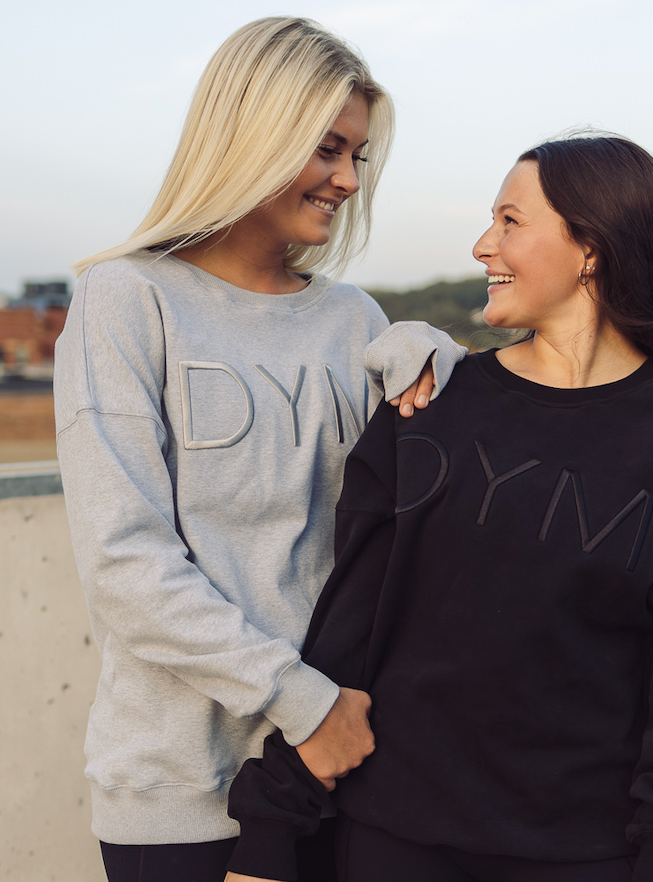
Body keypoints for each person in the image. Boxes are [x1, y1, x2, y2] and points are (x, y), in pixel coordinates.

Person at [53, 15, 464, 882]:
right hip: (186, 792)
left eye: (358, 155)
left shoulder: (356, 320)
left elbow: (392, 538)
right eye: (327, 148)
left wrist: (441, 368)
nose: (348, 179)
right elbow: (124, 561)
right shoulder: (127, 300)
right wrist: (304, 703)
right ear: (254, 133)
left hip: (351, 771)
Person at [226, 133, 653, 882]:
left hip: (587, 855)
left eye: (511, 221)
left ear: (591, 244)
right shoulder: (429, 405)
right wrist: (268, 837)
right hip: (395, 842)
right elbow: (348, 634)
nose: (484, 244)